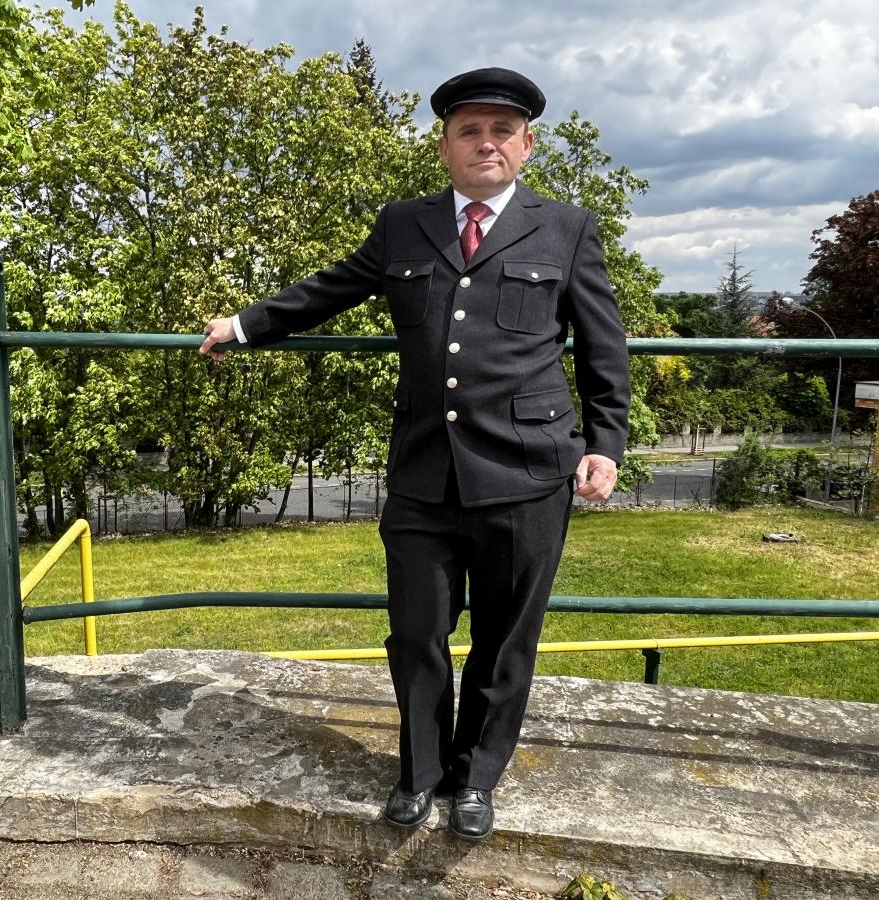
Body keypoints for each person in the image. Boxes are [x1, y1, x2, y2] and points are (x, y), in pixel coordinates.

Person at [199, 67, 630, 841]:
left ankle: (475, 779)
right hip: (425, 472)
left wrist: (606, 442)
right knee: (415, 632)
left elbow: (604, 346)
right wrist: (248, 323)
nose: (486, 143)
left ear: (526, 146)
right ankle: (421, 773)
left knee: (504, 641)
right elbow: (333, 286)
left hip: (530, 472)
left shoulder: (567, 229)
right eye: (470, 130)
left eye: (502, 131)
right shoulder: (405, 224)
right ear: (445, 146)